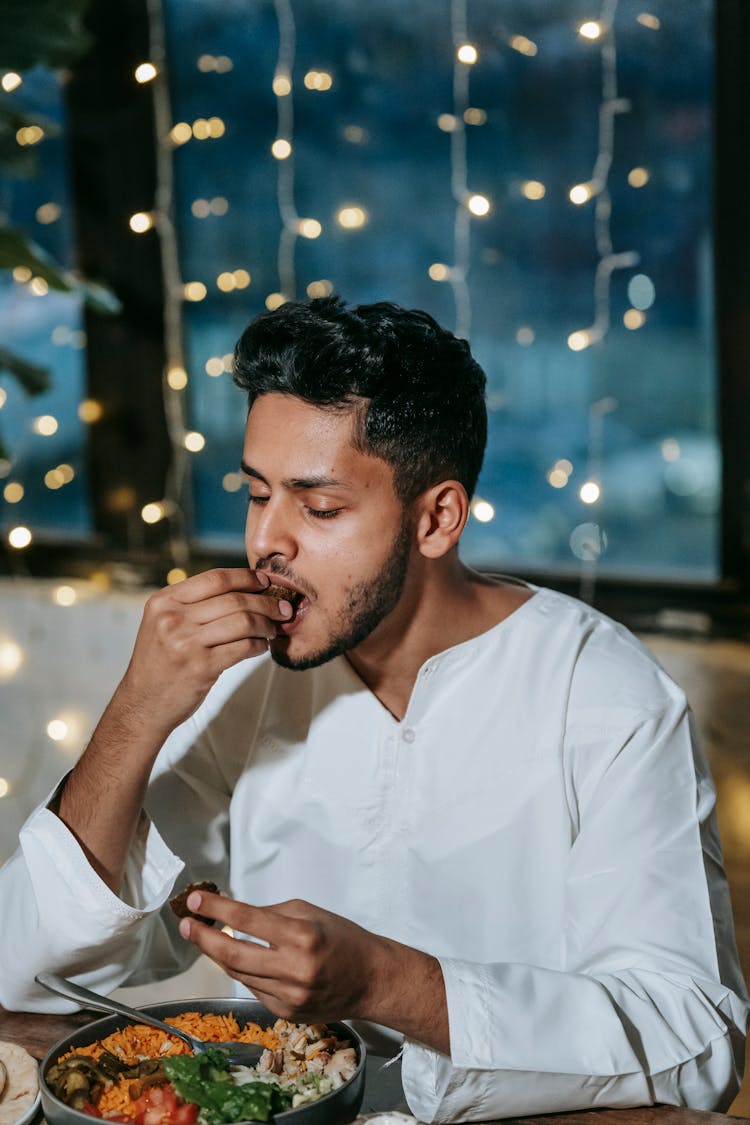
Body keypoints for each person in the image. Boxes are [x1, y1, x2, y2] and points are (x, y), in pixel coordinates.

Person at [0, 296, 747, 1123]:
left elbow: (697, 1043)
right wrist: (137, 710)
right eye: (256, 494)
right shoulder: (251, 686)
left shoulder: (603, 692)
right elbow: (22, 967)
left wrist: (390, 982)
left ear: (437, 518)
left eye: (318, 508)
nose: (265, 544)